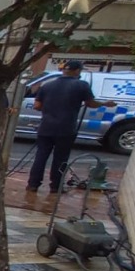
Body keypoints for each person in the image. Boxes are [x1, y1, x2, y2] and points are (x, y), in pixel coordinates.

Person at [27, 60, 115, 193]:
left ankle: (33, 185)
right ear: (78, 71)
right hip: (66, 129)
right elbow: (90, 103)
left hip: (46, 127)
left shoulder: (47, 85)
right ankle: (55, 186)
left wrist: (51, 108)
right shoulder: (81, 85)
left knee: (40, 156)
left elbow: (37, 106)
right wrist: (105, 104)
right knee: (60, 159)